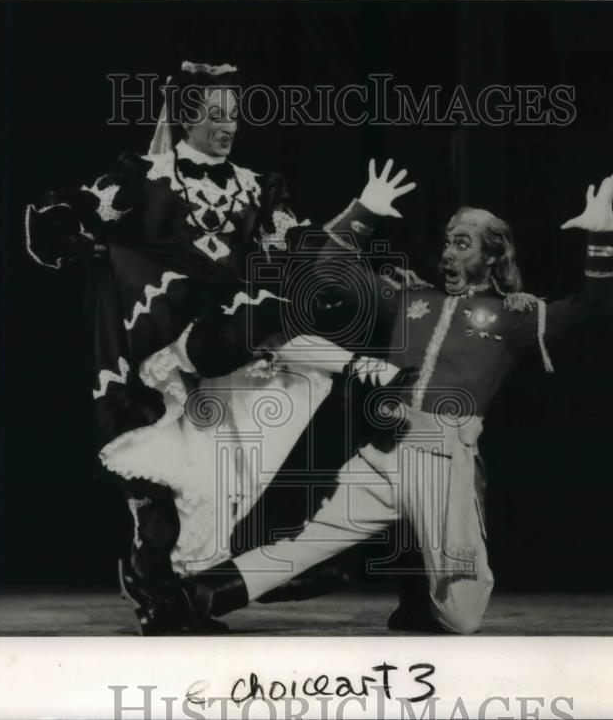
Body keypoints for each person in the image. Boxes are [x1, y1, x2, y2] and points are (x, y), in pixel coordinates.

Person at [137, 162, 613, 634]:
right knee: (304, 546)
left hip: (443, 467)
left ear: (491, 254)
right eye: (446, 241)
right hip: (382, 457)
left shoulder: (513, 316)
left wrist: (602, 232)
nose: (448, 254)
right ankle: (179, 602)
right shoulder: (410, 299)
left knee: (462, 618)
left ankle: (419, 586)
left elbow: (595, 306)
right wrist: (365, 210)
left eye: (463, 243)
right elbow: (329, 269)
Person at [24, 62, 415, 633]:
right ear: (185, 115)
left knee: (209, 478)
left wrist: (361, 215)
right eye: (213, 113)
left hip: (231, 339)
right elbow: (81, 207)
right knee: (172, 476)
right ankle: (162, 588)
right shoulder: (146, 175)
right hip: (168, 337)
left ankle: (179, 592)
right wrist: (68, 230)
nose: (226, 124)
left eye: (233, 113)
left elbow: (297, 247)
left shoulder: (256, 186)